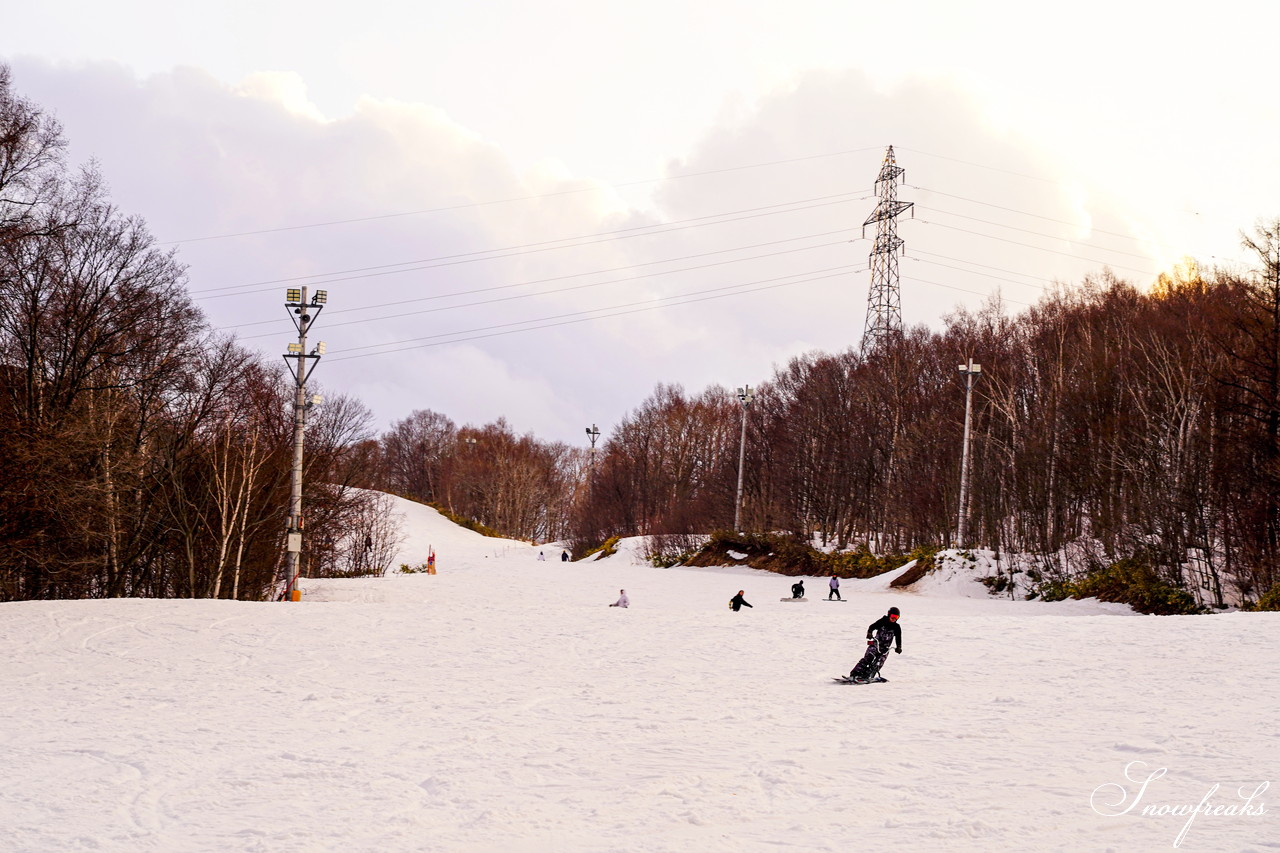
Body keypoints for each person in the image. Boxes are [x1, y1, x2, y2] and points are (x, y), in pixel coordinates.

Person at [848, 606, 902, 683]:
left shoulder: (896, 627)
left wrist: (899, 647)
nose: (894, 619)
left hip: (885, 648)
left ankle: (868, 675)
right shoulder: (883, 621)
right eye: (893, 616)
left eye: (896, 617)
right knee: (868, 658)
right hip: (876, 644)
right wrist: (869, 633)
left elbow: (898, 637)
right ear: (889, 615)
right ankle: (855, 674)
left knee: (880, 662)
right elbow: (872, 626)